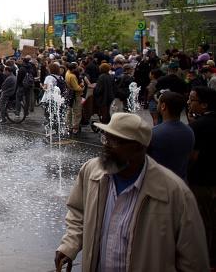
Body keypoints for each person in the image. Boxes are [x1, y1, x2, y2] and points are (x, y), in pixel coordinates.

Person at [55, 112, 209, 272]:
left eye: (115, 141)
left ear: (139, 148)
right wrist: (70, 245)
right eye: (106, 138)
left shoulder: (174, 193)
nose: (106, 145)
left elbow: (193, 260)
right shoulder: (91, 171)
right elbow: (78, 213)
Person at [187, 86, 216, 268]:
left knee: (203, 221)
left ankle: (207, 259)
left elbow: (193, 156)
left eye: (192, 99)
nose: (189, 102)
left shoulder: (198, 126)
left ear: (204, 105)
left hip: (202, 181)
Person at [147, 91, 194, 180]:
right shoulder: (189, 131)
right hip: (181, 181)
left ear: (163, 106)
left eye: (158, 102)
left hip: (160, 182)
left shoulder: (154, 132)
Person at [65, 62, 84, 135]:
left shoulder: (67, 72)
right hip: (75, 95)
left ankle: (68, 126)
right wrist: (82, 86)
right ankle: (75, 128)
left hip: (70, 94)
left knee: (69, 111)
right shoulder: (72, 76)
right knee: (77, 112)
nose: (78, 68)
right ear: (73, 69)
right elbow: (76, 88)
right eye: (76, 67)